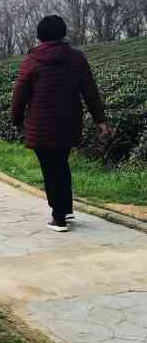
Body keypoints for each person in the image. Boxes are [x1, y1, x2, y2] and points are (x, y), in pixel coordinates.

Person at [11, 14, 110, 232]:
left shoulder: (30, 61)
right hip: (69, 124)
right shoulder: (77, 58)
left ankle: (59, 218)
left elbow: (19, 94)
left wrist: (16, 119)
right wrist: (100, 121)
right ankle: (66, 208)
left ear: (40, 36)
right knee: (61, 165)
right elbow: (90, 92)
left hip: (40, 126)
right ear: (63, 33)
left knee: (51, 170)